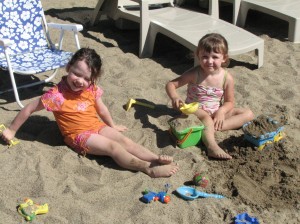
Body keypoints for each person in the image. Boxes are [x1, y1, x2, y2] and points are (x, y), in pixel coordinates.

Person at [1, 48, 179, 177]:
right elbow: (29, 108)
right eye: (77, 74)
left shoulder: (91, 89)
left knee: (124, 140)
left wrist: (112, 125)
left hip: (96, 126)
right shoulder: (56, 96)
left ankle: (155, 158)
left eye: (87, 78)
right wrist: (12, 130)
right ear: (68, 67)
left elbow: (101, 108)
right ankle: (147, 167)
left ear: (93, 79)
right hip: (79, 135)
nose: (80, 81)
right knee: (113, 148)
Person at [166, 33, 254, 160]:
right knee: (206, 118)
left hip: (215, 112)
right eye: (205, 57)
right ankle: (212, 146)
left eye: (215, 57)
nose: (210, 61)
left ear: (224, 58)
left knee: (248, 114)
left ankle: (209, 129)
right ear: (198, 56)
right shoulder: (194, 73)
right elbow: (171, 84)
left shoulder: (226, 78)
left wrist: (221, 112)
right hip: (194, 111)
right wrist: (174, 97)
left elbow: (229, 102)